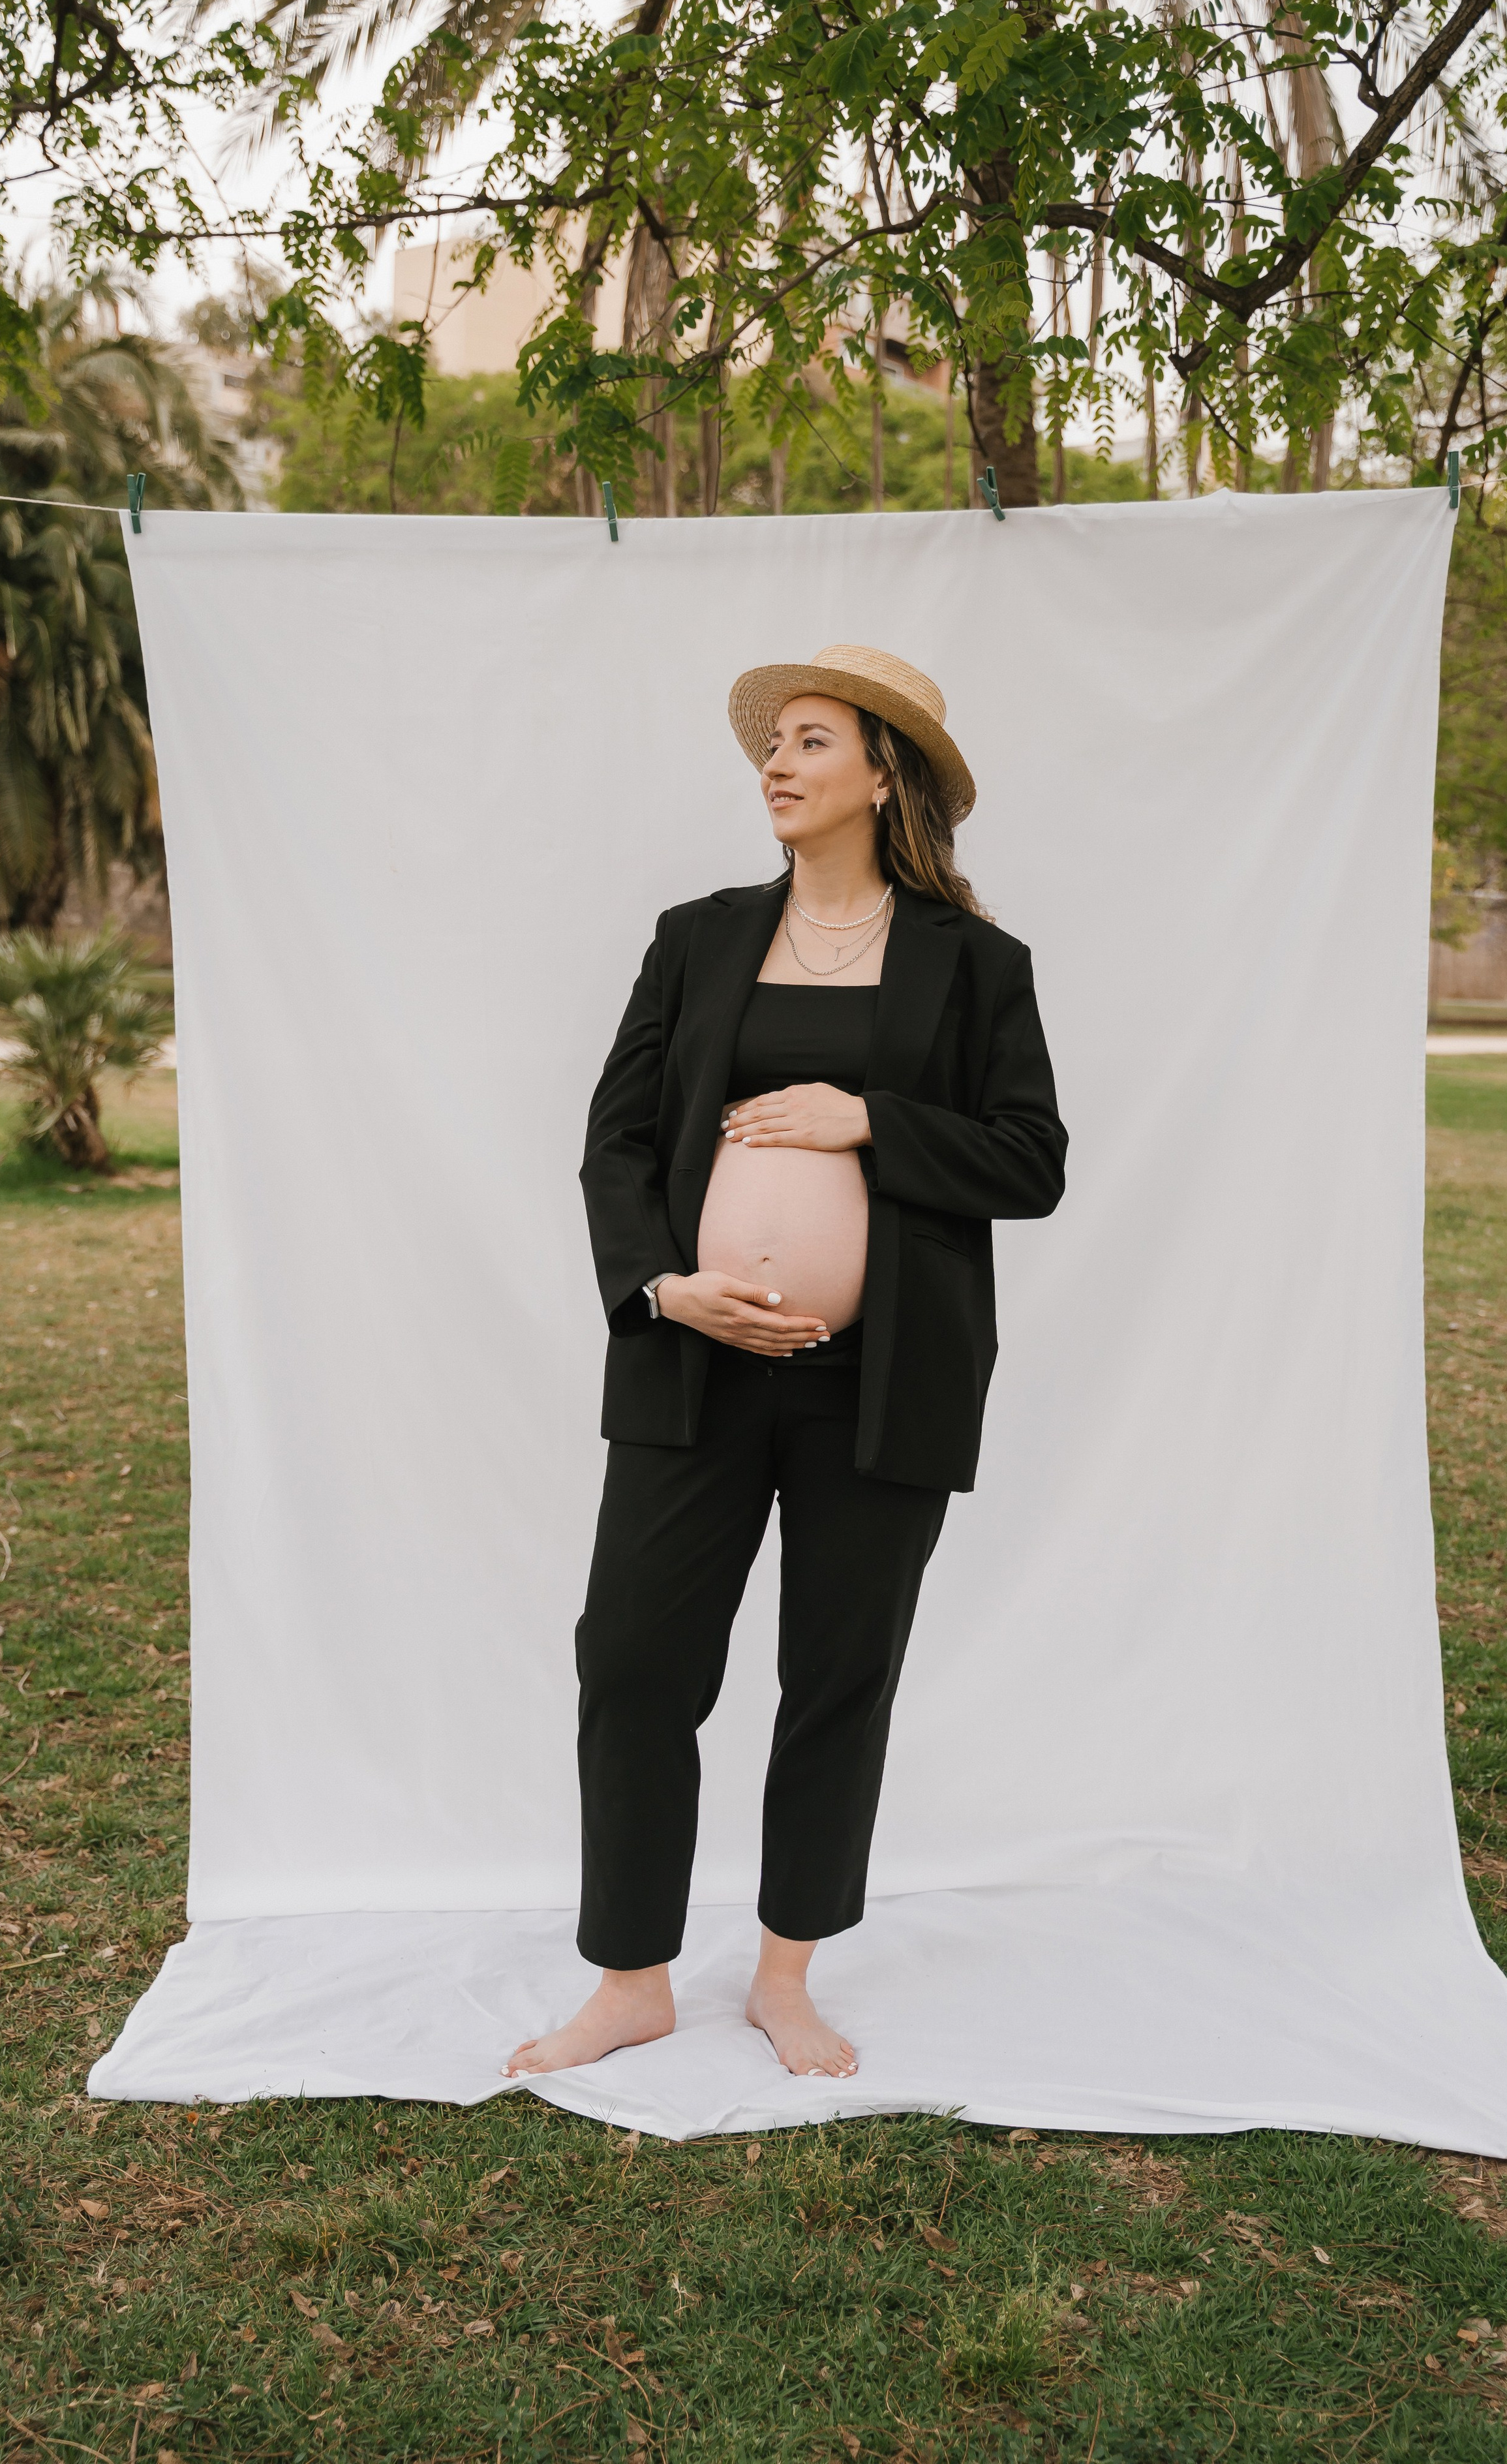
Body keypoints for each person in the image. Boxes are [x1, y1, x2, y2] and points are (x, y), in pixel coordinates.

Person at [503, 645, 1067, 2082]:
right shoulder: (696, 938)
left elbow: (1030, 1162)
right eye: (771, 745)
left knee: (835, 1679)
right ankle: (628, 1979)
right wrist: (660, 1288)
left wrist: (864, 1116)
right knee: (630, 1665)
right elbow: (615, 1142)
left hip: (878, 1386)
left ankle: (784, 1977)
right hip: (692, 1367)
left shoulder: (972, 964)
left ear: (882, 775)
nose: (776, 762)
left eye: (811, 742)